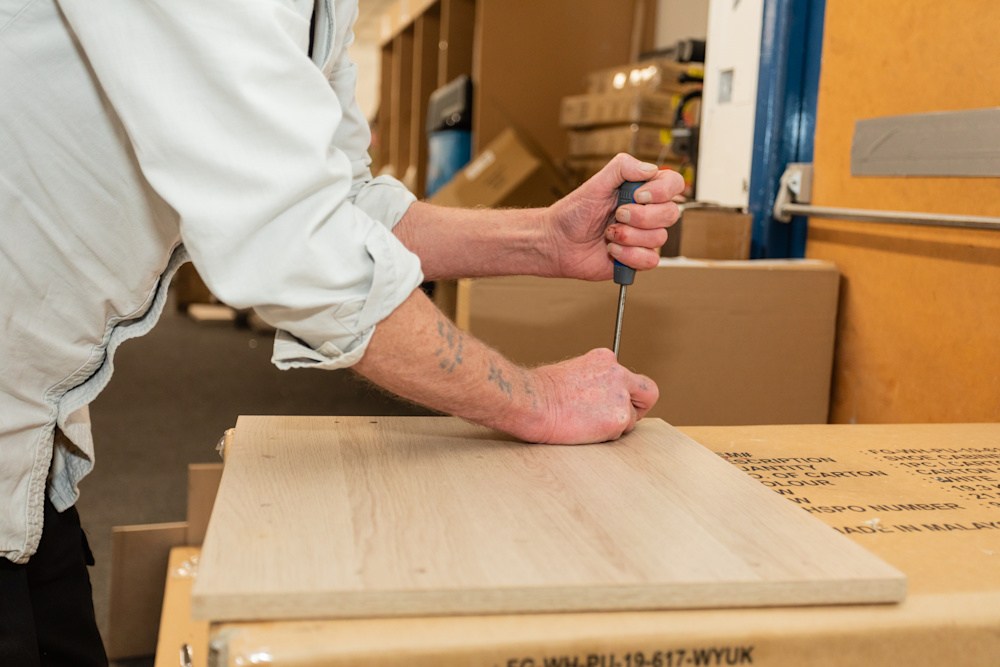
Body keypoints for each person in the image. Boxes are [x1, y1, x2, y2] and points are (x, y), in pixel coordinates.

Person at [0, 0, 684, 664]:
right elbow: (295, 241)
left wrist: (543, 240)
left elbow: (343, 201)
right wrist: (539, 400)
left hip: (31, 431)